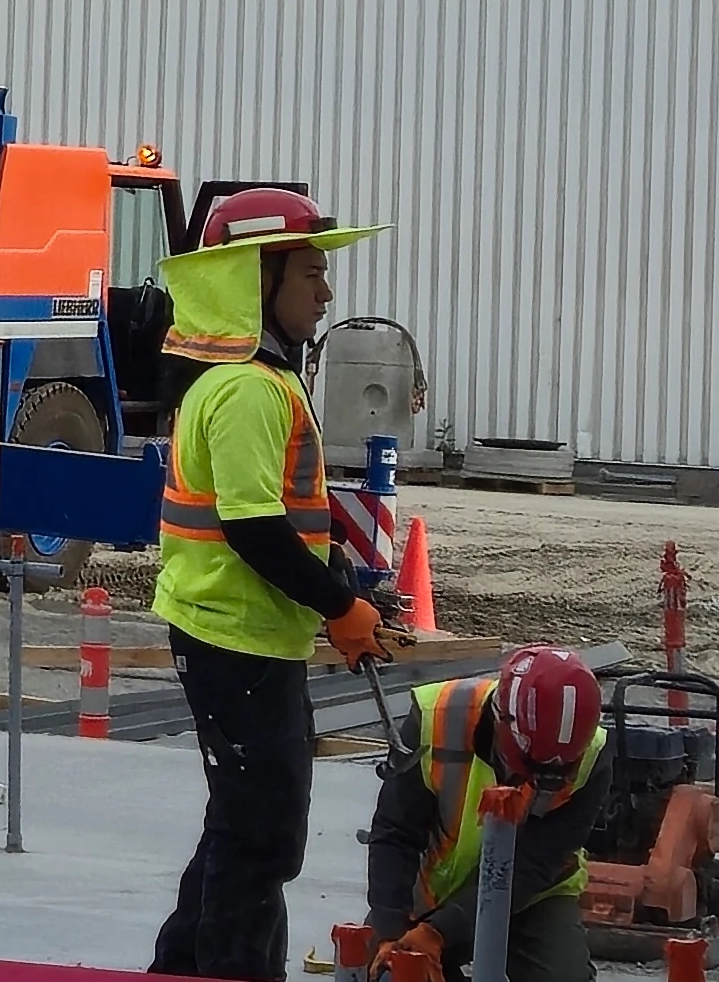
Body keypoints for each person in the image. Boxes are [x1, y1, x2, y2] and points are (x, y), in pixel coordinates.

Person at [148, 187, 404, 981]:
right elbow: (254, 529)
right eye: (310, 274)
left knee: (242, 826)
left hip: (239, 633)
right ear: (259, 280)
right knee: (261, 836)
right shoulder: (251, 389)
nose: (326, 294)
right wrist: (339, 605)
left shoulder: (251, 380)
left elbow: (291, 520)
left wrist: (346, 590)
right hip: (237, 639)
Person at [367, 645, 613, 982]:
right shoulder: (437, 718)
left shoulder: (594, 754)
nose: (540, 781)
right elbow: (395, 833)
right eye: (533, 767)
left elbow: (538, 862)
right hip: (434, 892)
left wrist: (443, 931)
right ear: (503, 723)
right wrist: (389, 928)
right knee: (388, 970)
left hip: (532, 896)